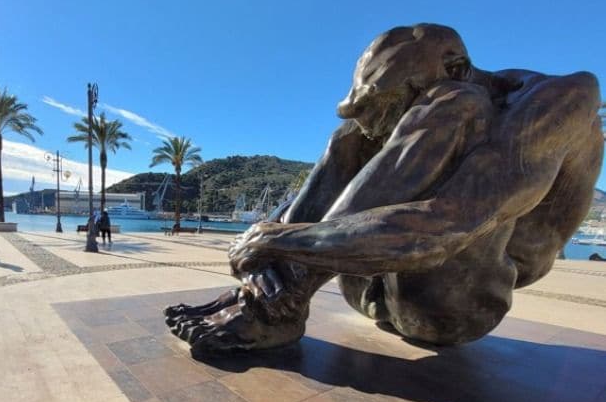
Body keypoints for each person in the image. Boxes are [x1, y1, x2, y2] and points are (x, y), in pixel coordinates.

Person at [166, 23, 603, 354]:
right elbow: (302, 209)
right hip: (367, 286)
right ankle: (270, 300)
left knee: (455, 104)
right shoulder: (435, 103)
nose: (391, 130)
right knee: (350, 135)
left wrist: (275, 242)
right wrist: (265, 251)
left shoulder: (556, 101)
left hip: (454, 304)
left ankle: (280, 301)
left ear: (456, 68)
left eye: (396, 107)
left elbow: (446, 225)